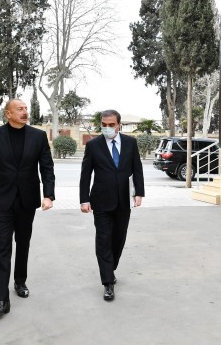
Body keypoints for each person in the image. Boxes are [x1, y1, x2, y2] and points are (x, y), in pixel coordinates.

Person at [0, 99, 55, 316]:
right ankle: (3, 298)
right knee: (2, 246)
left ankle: (20, 281)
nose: (25, 112)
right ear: (8, 114)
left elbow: (47, 167)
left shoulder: (38, 136)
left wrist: (48, 195)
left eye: (26, 109)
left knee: (23, 243)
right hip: (2, 200)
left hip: (27, 200)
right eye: (19, 109)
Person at [80, 109, 144, 301]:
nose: (107, 128)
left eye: (111, 125)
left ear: (119, 125)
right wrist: (84, 199)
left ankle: (110, 267)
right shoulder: (93, 145)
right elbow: (85, 174)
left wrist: (139, 192)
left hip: (123, 200)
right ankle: (107, 282)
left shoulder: (131, 143)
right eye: (104, 125)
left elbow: (137, 168)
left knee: (118, 239)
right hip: (100, 201)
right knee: (103, 240)